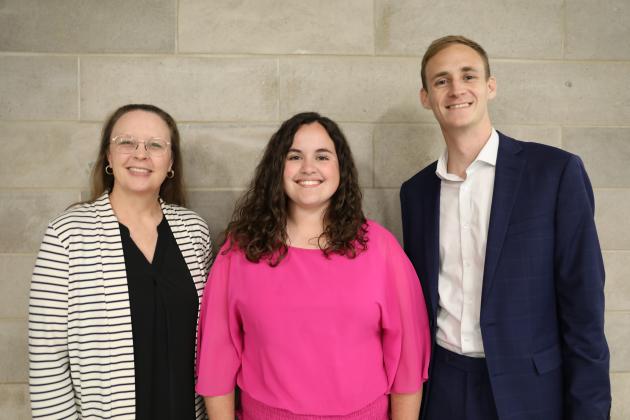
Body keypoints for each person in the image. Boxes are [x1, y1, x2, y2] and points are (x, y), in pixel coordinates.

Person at [400, 35, 611, 420]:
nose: (456, 89)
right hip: (442, 387)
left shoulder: (554, 172)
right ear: (426, 97)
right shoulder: (415, 193)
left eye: (469, 76)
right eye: (441, 80)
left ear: (490, 86)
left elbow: (584, 309)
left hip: (530, 392)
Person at [195, 112, 431, 419]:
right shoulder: (241, 250)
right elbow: (217, 357)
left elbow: (407, 363)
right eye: (295, 156)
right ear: (277, 168)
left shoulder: (380, 248)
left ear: (340, 168)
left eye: (322, 156)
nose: (309, 168)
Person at [29, 104, 213, 419]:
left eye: (155, 145)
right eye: (126, 142)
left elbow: (212, 339)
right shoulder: (68, 234)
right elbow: (47, 359)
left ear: (170, 163)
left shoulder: (194, 231)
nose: (140, 154)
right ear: (108, 158)